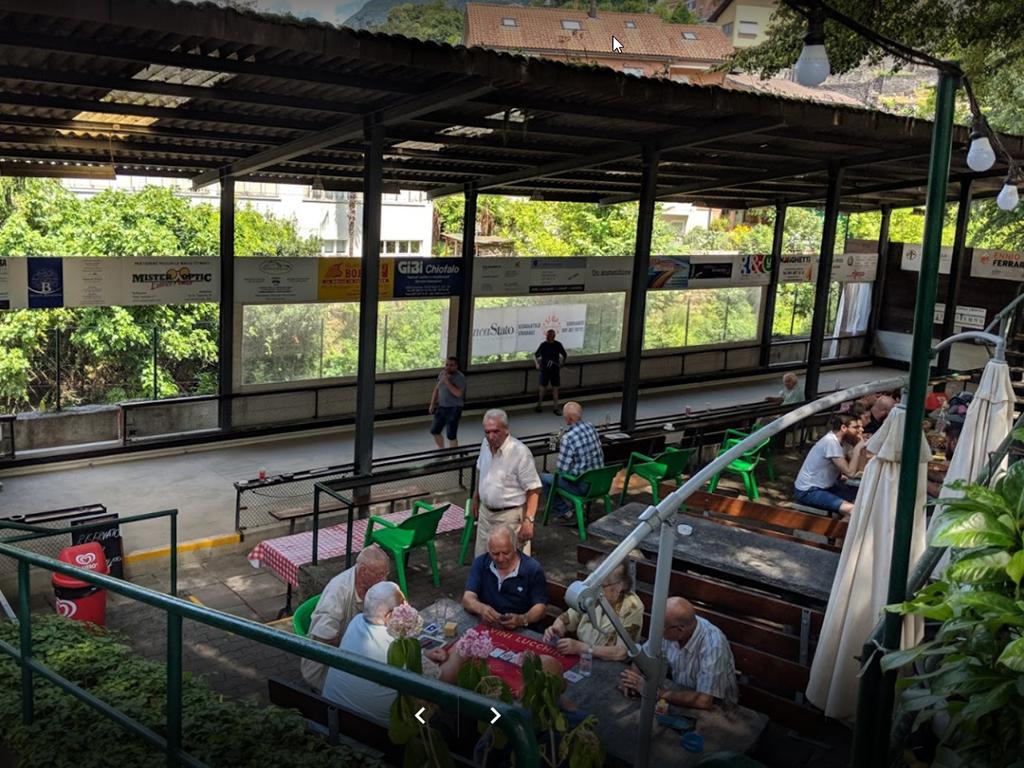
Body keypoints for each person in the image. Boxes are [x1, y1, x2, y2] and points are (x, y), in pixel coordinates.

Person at [322, 582, 467, 726]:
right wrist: (462, 648)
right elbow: (445, 680)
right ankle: (430, 732)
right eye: (403, 605)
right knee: (437, 706)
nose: (408, 607)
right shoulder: (400, 648)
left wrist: (422, 654)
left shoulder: (356, 621)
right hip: (380, 732)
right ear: (389, 616)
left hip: (330, 719)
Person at [618, 597, 737, 710]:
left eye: (660, 628)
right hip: (679, 693)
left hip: (720, 709)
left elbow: (704, 700)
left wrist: (656, 693)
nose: (655, 630)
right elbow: (643, 656)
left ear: (680, 630)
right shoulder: (669, 626)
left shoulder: (713, 646)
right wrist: (632, 680)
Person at [300, 545, 391, 691]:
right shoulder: (339, 590)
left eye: (386, 573)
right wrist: (355, 644)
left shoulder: (371, 585)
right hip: (326, 668)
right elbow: (324, 636)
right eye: (380, 575)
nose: (384, 579)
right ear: (363, 571)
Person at [472, 409, 542, 557]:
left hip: (509, 517)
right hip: (485, 515)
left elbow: (534, 489)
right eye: (487, 432)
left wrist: (529, 521)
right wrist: (475, 497)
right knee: (481, 560)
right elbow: (481, 471)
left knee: (510, 562)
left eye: (495, 431)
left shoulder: (520, 453)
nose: (491, 436)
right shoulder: (485, 444)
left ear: (506, 430)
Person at [543, 558, 643, 661]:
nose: (594, 588)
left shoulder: (632, 607)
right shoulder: (589, 595)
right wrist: (556, 629)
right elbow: (566, 619)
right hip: (583, 659)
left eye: (601, 585)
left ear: (620, 586)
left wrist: (583, 648)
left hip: (611, 664)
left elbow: (621, 652)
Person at [463, 525, 548, 630]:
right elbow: (467, 598)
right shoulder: (481, 563)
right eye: (495, 554)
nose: (501, 558)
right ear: (488, 549)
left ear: (515, 547)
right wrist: (481, 609)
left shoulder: (532, 569)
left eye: (506, 553)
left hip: (522, 629)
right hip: (489, 626)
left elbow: (541, 608)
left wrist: (522, 619)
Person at [540, 401, 604, 524]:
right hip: (601, 483)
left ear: (568, 419)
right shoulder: (591, 426)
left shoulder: (568, 438)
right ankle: (574, 508)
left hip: (583, 487)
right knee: (575, 471)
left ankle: (565, 512)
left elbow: (561, 470)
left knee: (543, 478)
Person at [793, 412, 867, 515]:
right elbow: (850, 472)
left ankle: (844, 522)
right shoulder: (831, 442)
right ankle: (844, 524)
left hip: (827, 487)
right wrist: (857, 450)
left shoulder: (843, 442)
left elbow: (860, 470)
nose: (860, 430)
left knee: (863, 495)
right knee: (853, 509)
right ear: (843, 428)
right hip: (809, 491)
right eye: (856, 427)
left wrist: (862, 448)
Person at [428, 356, 466, 449]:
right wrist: (432, 403)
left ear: (456, 366)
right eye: (447, 365)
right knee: (435, 430)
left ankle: (453, 454)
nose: (448, 367)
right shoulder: (442, 374)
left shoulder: (460, 377)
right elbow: (437, 389)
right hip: (442, 406)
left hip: (454, 408)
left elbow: (458, 394)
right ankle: (442, 450)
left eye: (451, 365)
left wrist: (447, 382)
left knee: (451, 434)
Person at [534, 329, 568, 414]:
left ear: (553, 336)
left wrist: (562, 363)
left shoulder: (558, 344)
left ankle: (556, 408)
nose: (547, 337)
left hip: (554, 370)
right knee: (542, 389)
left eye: (549, 336)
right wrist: (537, 364)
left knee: (555, 389)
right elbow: (535, 355)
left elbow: (564, 355)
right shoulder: (543, 345)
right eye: (547, 335)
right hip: (544, 370)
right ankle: (539, 405)